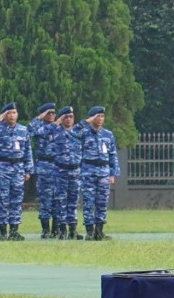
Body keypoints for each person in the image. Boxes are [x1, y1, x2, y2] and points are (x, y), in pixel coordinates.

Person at [0, 101, 33, 240]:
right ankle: (3, 232)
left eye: (14, 113)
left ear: (17, 114)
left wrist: (28, 170)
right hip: (3, 167)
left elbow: (28, 151)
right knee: (2, 199)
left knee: (16, 200)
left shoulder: (23, 130)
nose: (11, 115)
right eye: (8, 113)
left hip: (18, 168)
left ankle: (14, 230)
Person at [79, 105, 121, 240]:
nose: (100, 119)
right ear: (91, 117)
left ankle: (99, 231)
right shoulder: (84, 133)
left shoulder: (108, 134)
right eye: (98, 116)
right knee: (88, 202)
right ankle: (90, 232)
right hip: (88, 171)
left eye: (102, 116)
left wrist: (113, 173)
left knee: (102, 202)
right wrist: (86, 121)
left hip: (103, 171)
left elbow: (112, 154)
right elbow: (73, 132)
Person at [47, 106, 82, 239]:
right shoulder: (54, 131)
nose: (68, 119)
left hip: (75, 171)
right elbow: (37, 132)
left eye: (71, 117)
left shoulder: (78, 132)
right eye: (65, 117)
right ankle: (62, 230)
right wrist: (56, 122)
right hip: (60, 171)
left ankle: (73, 229)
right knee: (61, 201)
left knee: (73, 201)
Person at [28, 102, 58, 237]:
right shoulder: (39, 127)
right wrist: (39, 118)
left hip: (59, 166)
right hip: (44, 166)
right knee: (45, 199)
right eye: (48, 113)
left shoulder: (59, 127)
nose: (51, 115)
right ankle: (46, 229)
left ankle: (57, 228)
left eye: (53, 113)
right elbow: (29, 131)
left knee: (59, 198)